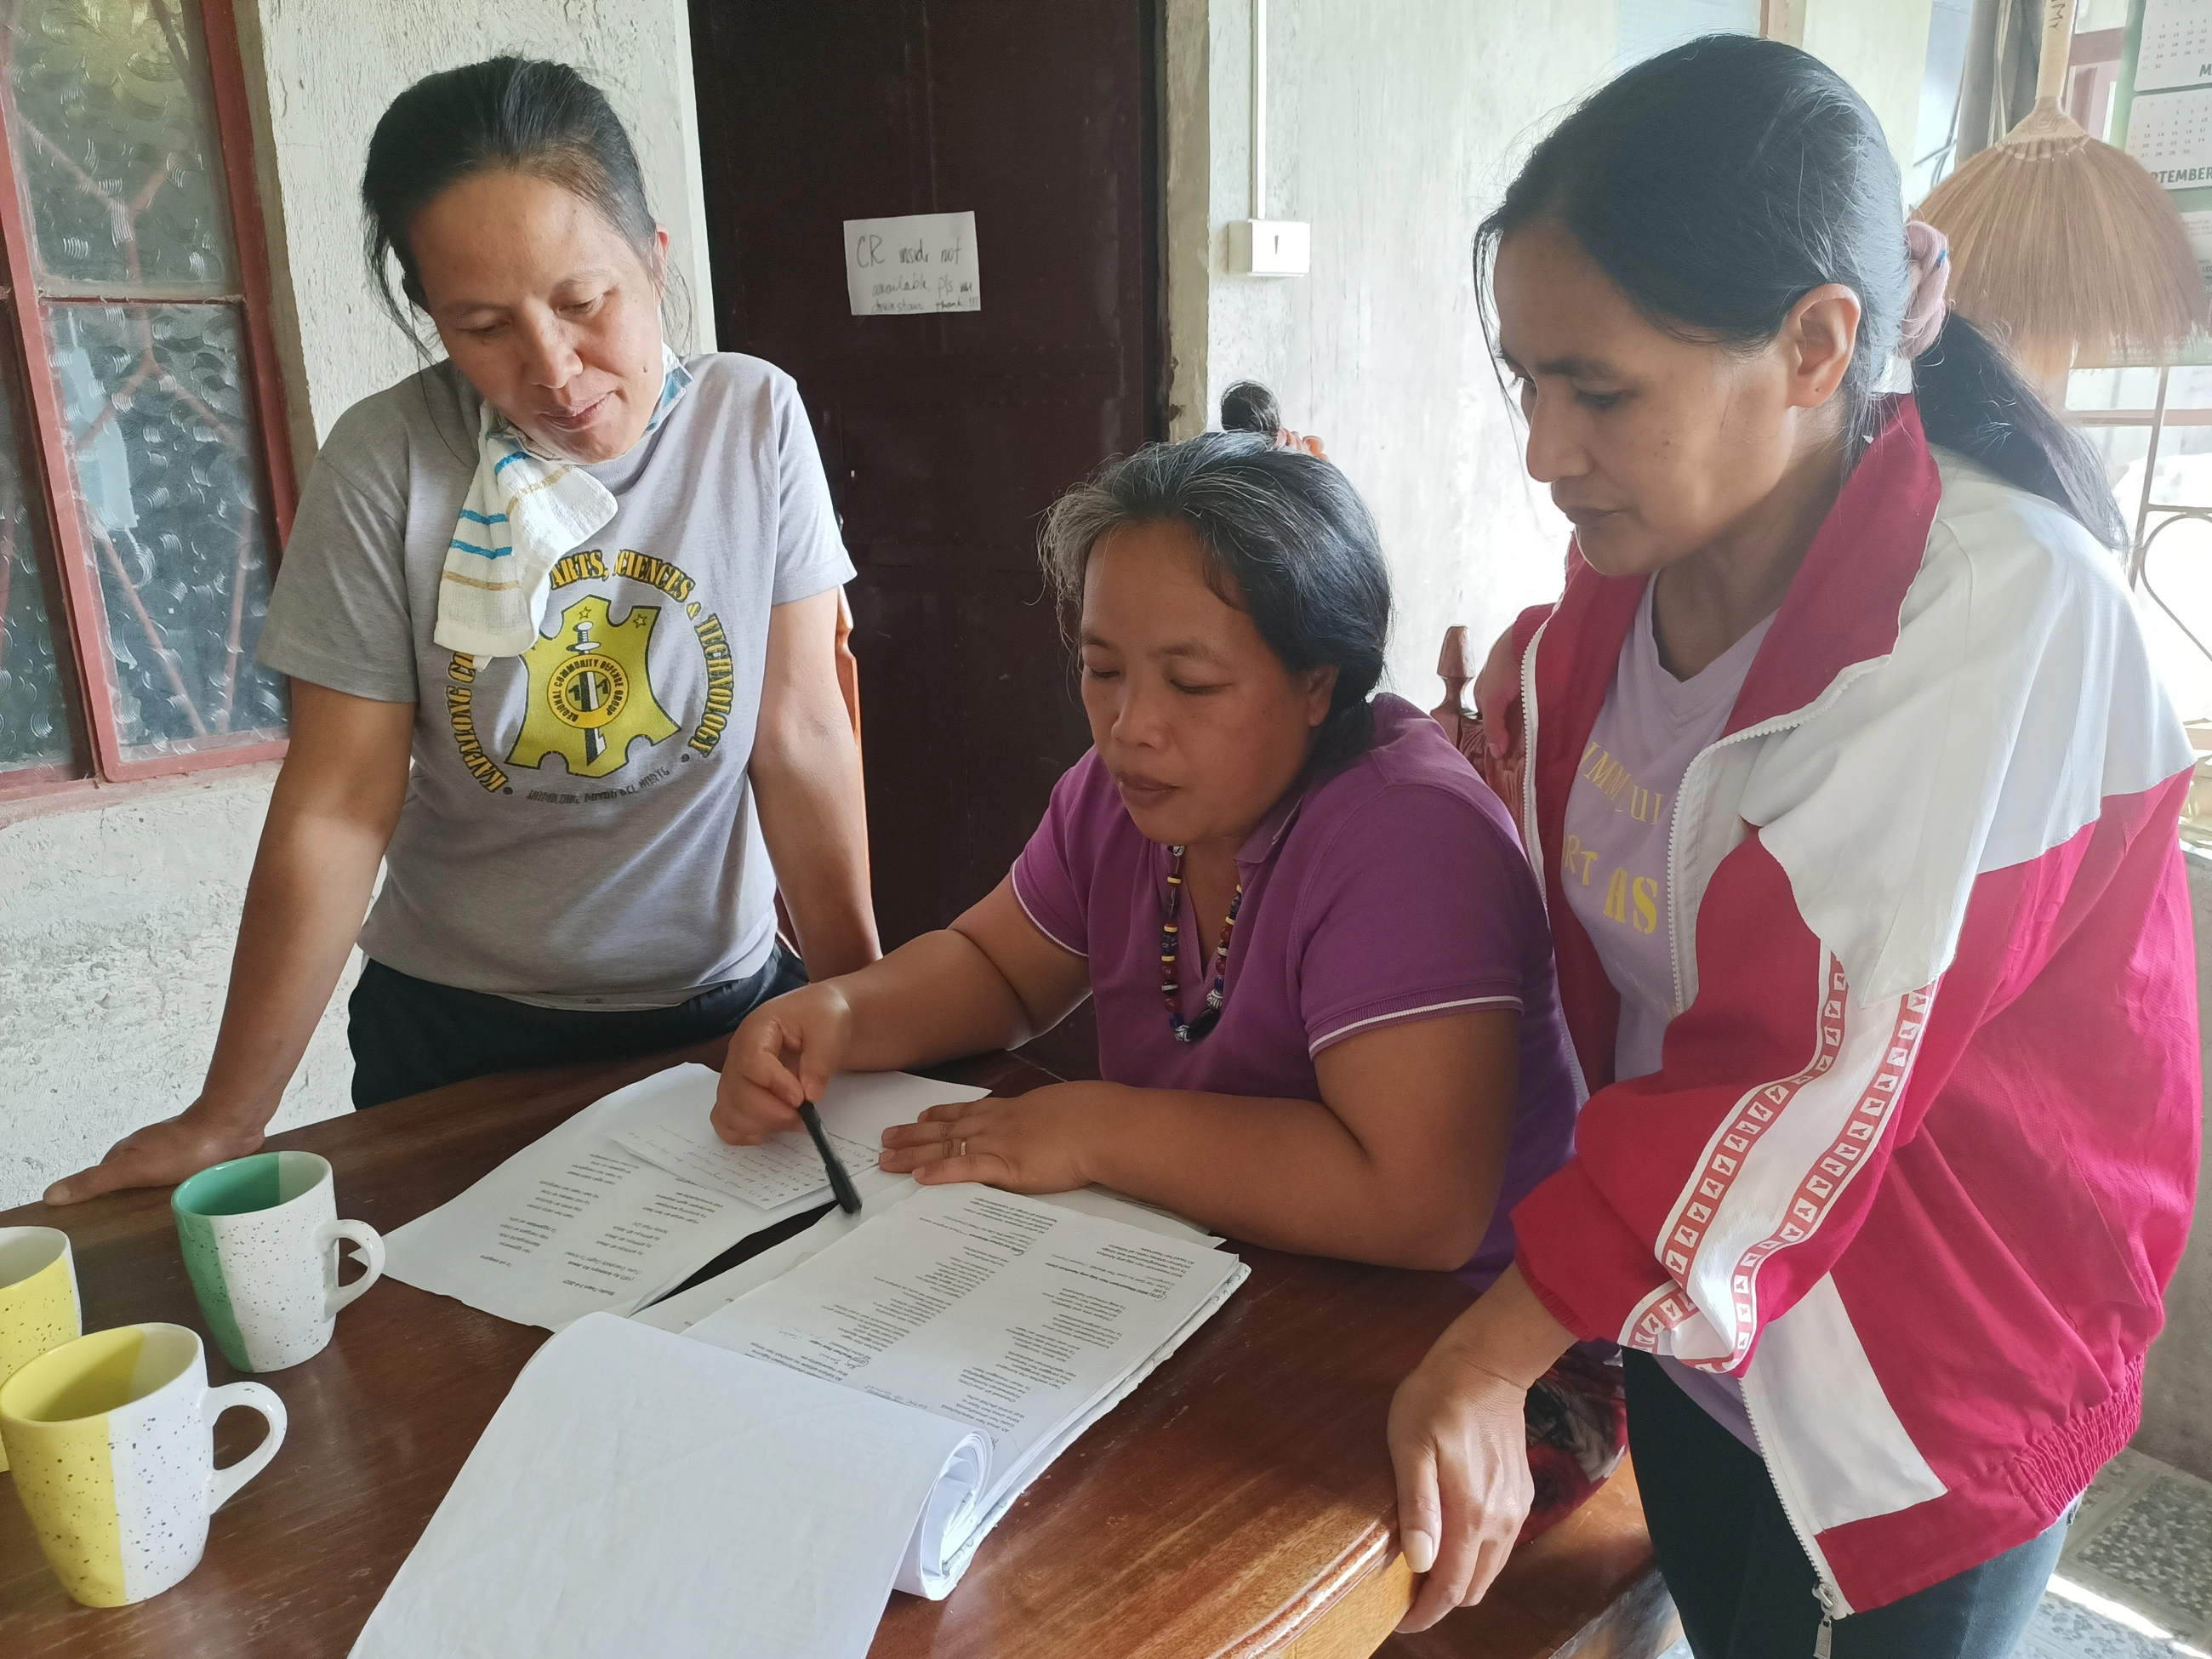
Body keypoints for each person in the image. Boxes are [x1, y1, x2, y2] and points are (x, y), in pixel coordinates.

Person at [1386, 37, 2200, 1657]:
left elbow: (1786, 1066)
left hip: (1918, 1372)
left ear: (1820, 345)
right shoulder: (1622, 592)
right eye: (1527, 380)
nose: (1543, 449)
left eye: (1600, 390)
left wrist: (1485, 1353)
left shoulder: (1990, 613)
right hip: (1704, 1341)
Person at [715, 432, 1622, 1534]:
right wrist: (839, 1011)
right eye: (1103, 669)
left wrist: (1093, 1128)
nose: (1130, 726)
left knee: (1133, 1539)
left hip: (1476, 1342)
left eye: (1192, 682)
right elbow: (999, 966)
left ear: (1317, 683)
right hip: (1224, 1271)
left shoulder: (1406, 836)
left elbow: (1417, 1203)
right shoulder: (1121, 797)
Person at [44, 57, 877, 1205]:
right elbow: (341, 803)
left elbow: (801, 734)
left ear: (655, 259)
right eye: (483, 327)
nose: (553, 370)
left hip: (724, 1019)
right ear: (431, 317)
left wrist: (868, 1006)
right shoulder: (390, 462)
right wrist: (227, 1116)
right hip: (460, 1040)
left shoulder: (752, 418)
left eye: (585, 303)